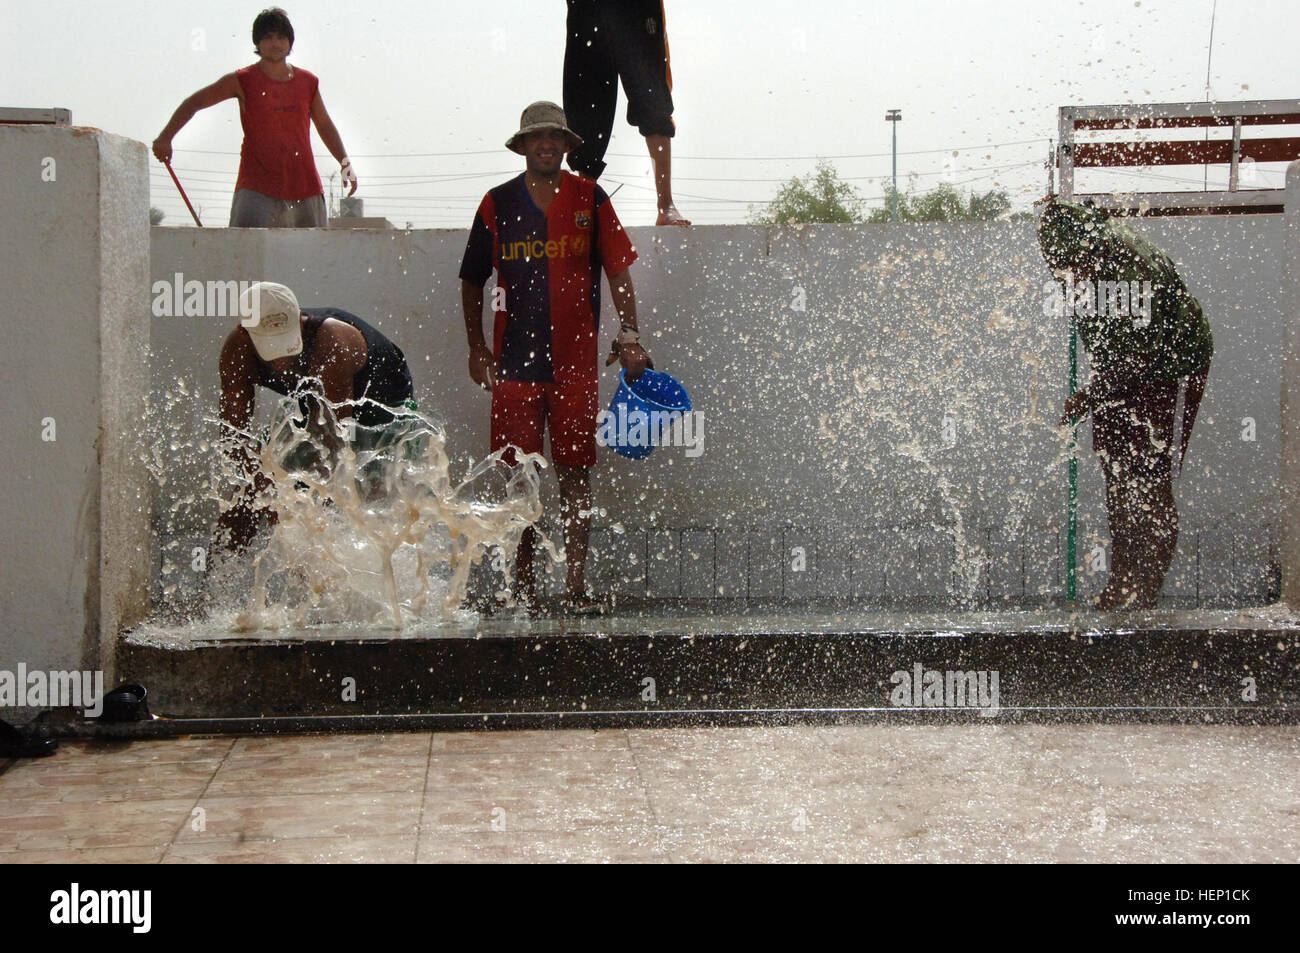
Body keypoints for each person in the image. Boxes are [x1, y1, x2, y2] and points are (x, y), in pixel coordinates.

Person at [459, 101, 649, 614]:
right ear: (522, 146)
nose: (546, 145)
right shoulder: (496, 203)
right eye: (536, 138)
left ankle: (575, 588)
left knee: (574, 473)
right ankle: (520, 591)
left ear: (566, 146)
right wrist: (478, 348)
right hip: (514, 368)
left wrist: (629, 333)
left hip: (574, 367)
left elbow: (619, 272)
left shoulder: (591, 197)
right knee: (520, 479)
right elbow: (472, 279)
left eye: (554, 138)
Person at [1038, 198, 1213, 610]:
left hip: (1170, 369)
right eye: (1060, 268)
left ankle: (1146, 588)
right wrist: (1097, 391)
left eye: (1075, 268)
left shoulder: (1132, 265)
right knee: (1118, 472)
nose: (1069, 277)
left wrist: (1088, 397)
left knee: (1149, 479)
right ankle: (1122, 580)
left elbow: (1142, 356)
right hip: (1120, 374)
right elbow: (1107, 340)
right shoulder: (1076, 255)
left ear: (1092, 247)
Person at [217, 281, 414, 552]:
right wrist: (261, 483)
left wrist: (294, 500)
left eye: (287, 342)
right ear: (245, 332)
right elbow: (234, 439)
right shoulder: (237, 352)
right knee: (246, 497)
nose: (281, 362)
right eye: (271, 347)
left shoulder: (333, 341)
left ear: (300, 320)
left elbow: (337, 447)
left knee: (354, 499)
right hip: (314, 405)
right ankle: (213, 582)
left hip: (381, 411)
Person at [152, 7, 356, 228]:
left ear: (290, 42)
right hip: (257, 188)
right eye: (268, 37)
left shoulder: (308, 83)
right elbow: (195, 102)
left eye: (281, 37)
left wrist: (345, 162)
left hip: (305, 188)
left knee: (310, 257)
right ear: (258, 43)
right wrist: (166, 137)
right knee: (245, 254)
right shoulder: (242, 80)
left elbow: (324, 125)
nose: (275, 43)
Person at [562, 0, 690, 226]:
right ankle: (585, 206)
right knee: (585, 108)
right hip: (586, 8)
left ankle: (666, 205)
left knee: (652, 99)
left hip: (637, 8)